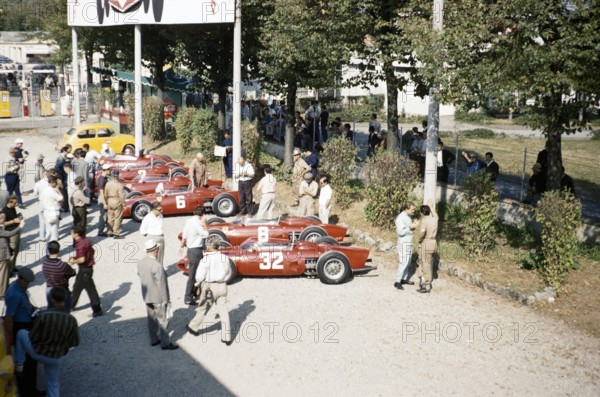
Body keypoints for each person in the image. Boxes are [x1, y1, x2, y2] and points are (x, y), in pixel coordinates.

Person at [14, 286, 80, 397]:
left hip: (38, 352)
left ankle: (19, 364)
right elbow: (75, 342)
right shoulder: (71, 320)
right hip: (55, 357)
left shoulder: (43, 316)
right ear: (64, 299)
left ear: (52, 300)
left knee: (21, 333)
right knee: (53, 384)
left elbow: (33, 336)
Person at [186, 242, 233, 346]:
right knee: (224, 311)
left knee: (203, 308)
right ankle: (227, 337)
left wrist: (198, 284)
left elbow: (199, 276)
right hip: (222, 286)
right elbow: (229, 272)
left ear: (211, 247)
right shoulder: (225, 258)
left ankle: (193, 327)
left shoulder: (206, 259)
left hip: (210, 287)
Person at [4, 267, 39, 397]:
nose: (28, 284)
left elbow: (25, 304)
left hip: (26, 322)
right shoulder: (14, 294)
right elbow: (9, 317)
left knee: (31, 361)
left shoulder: (19, 288)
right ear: (21, 279)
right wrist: (11, 337)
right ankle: (27, 392)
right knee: (27, 361)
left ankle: (31, 389)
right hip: (21, 326)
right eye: (27, 282)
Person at [137, 239, 178, 350]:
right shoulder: (157, 265)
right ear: (156, 250)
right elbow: (162, 283)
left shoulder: (141, 263)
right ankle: (165, 343)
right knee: (163, 319)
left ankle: (154, 339)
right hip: (158, 297)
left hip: (146, 295)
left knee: (151, 318)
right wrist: (166, 298)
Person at [70, 226, 103, 317]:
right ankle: (70, 305)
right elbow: (93, 250)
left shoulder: (80, 244)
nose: (71, 234)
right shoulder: (86, 240)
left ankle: (97, 310)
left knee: (91, 290)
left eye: (72, 232)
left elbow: (82, 259)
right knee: (77, 287)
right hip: (87, 269)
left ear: (76, 234)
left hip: (84, 270)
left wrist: (74, 261)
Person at [181, 206, 209, 306]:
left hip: (190, 249)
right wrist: (205, 223)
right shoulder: (198, 224)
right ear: (202, 215)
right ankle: (188, 297)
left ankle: (193, 293)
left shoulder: (189, 221)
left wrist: (182, 244)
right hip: (196, 250)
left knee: (195, 273)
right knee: (193, 275)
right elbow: (206, 234)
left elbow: (184, 234)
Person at [42, 240, 76, 311]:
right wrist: (69, 265)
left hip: (49, 289)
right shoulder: (62, 265)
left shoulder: (45, 263)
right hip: (62, 290)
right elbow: (72, 273)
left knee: (50, 310)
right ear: (58, 250)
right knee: (65, 311)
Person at [416, 201, 439, 293]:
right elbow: (436, 216)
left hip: (426, 242)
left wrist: (419, 241)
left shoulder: (424, 222)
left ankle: (427, 284)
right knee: (427, 262)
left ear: (421, 213)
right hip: (433, 242)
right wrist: (431, 206)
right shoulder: (434, 220)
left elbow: (422, 233)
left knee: (425, 264)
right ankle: (424, 281)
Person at [394, 202, 418, 290]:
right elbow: (400, 232)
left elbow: (408, 226)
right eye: (412, 209)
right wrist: (411, 228)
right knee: (403, 262)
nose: (413, 211)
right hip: (403, 242)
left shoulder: (408, 216)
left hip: (408, 241)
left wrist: (413, 225)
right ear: (406, 209)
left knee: (408, 261)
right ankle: (397, 281)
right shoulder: (400, 218)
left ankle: (404, 278)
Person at [0, 213, 24, 299]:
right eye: (3, 218)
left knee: (4, 274)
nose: (4, 219)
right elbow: (10, 233)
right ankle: (2, 293)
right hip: (2, 255)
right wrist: (20, 227)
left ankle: (4, 290)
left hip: (3, 254)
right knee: (3, 274)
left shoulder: (1, 227)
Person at [1, 196, 23, 272]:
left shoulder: (12, 208)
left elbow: (14, 217)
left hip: (16, 231)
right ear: (9, 202)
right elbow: (3, 223)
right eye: (14, 203)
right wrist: (13, 221)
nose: (16, 204)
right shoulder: (4, 211)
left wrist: (18, 218)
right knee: (12, 252)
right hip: (11, 233)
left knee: (16, 251)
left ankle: (12, 267)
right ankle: (9, 271)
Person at [140, 201, 165, 266]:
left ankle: (160, 272)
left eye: (162, 209)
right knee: (152, 257)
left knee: (160, 257)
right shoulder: (147, 218)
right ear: (153, 209)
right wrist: (150, 237)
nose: (161, 211)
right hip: (152, 238)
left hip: (160, 237)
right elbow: (142, 231)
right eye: (159, 210)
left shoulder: (160, 215)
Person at [104, 169, 125, 238]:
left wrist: (106, 202)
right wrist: (123, 204)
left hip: (110, 200)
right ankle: (116, 233)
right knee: (118, 217)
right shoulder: (119, 185)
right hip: (117, 200)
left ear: (112, 175)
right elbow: (121, 196)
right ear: (118, 176)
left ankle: (109, 231)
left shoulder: (108, 184)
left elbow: (105, 194)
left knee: (110, 217)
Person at [40, 176, 63, 242]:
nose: (56, 184)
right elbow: (61, 198)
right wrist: (58, 190)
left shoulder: (44, 190)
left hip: (46, 210)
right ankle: (53, 243)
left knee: (48, 230)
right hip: (53, 211)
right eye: (55, 182)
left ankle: (48, 244)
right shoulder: (52, 191)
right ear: (52, 182)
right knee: (54, 230)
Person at [97, 164, 111, 236]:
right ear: (104, 170)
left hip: (104, 198)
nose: (110, 170)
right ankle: (100, 231)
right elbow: (101, 192)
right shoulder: (102, 180)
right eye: (109, 169)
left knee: (105, 215)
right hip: (102, 199)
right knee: (103, 216)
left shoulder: (104, 178)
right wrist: (105, 203)